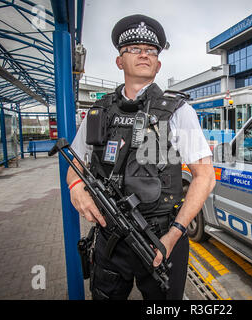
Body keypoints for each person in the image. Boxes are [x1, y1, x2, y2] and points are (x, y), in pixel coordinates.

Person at [66, 14, 215, 300]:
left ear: (158, 64)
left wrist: (174, 234)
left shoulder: (178, 111)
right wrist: (76, 188)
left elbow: (205, 177)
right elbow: (74, 162)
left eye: (150, 51)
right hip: (110, 235)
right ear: (119, 61)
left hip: (161, 237)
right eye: (134, 49)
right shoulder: (99, 112)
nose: (144, 54)